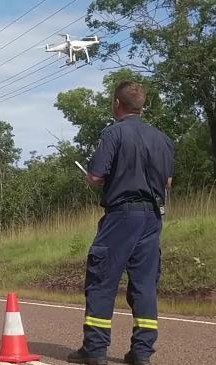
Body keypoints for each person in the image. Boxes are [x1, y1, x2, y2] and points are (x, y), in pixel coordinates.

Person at [67, 81, 174, 365]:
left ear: (117, 104)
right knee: (144, 285)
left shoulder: (113, 135)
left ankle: (95, 350)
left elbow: (95, 177)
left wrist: (98, 178)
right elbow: (168, 182)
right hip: (152, 217)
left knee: (102, 279)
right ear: (142, 106)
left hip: (122, 215)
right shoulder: (162, 139)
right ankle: (141, 353)